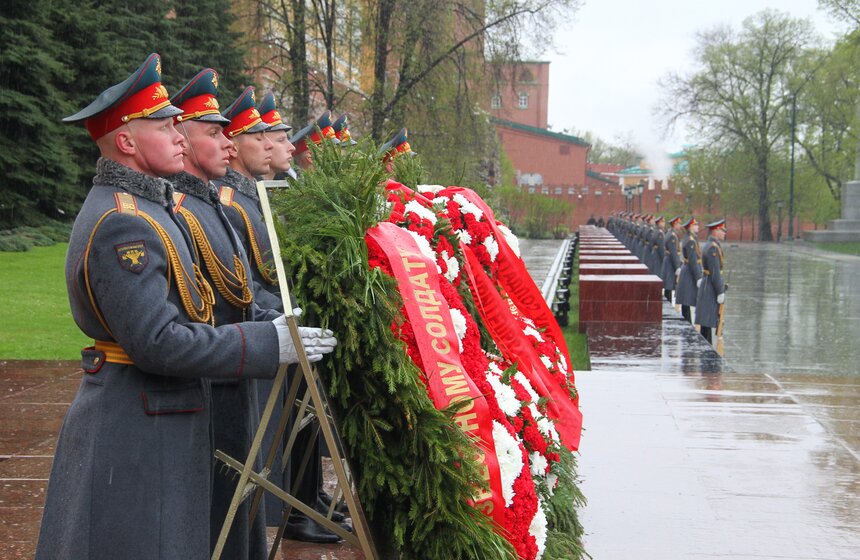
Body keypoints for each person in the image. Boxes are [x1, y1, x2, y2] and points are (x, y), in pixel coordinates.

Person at [36, 54, 336, 560]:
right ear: (127, 142)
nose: (180, 134)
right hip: (137, 420)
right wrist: (266, 341)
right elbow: (158, 342)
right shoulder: (123, 223)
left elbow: (204, 302)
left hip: (161, 412)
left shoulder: (151, 208)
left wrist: (270, 324)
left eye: (180, 124)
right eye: (165, 125)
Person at [169, 69, 288, 559]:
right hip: (216, 374)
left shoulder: (212, 204)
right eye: (213, 133)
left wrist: (282, 319)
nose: (229, 145)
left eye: (225, 132)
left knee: (244, 498)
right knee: (224, 506)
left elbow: (242, 285)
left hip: (237, 364)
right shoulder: (189, 208)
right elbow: (199, 309)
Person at [695, 219, 727, 344]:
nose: (724, 233)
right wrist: (720, 291)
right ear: (715, 231)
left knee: (706, 321)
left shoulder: (712, 245)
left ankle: (706, 348)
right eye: (722, 230)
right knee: (707, 321)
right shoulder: (713, 248)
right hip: (710, 286)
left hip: (707, 283)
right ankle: (706, 351)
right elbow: (715, 272)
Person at [676, 217, 702, 323]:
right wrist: (698, 277)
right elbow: (693, 261)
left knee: (686, 301)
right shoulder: (691, 241)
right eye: (696, 225)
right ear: (691, 227)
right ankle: (687, 324)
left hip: (686, 270)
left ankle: (687, 323)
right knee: (686, 300)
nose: (698, 227)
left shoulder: (690, 238)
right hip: (689, 273)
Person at [661, 215, 683, 303]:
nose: (680, 226)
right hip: (670, 263)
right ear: (675, 224)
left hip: (668, 261)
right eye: (679, 224)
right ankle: (668, 304)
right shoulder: (672, 236)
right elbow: (673, 252)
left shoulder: (670, 233)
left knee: (668, 286)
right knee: (669, 286)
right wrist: (677, 266)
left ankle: (668, 302)